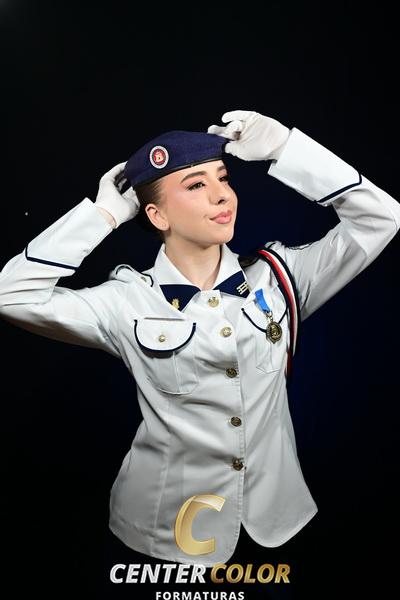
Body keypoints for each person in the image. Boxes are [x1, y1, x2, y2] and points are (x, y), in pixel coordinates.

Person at [0, 109, 399, 571]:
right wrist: (103, 215)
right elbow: (11, 296)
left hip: (277, 524)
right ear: (156, 214)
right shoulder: (126, 300)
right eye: (195, 185)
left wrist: (287, 150)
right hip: (163, 534)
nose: (221, 195)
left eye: (223, 178)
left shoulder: (279, 280)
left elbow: (381, 218)